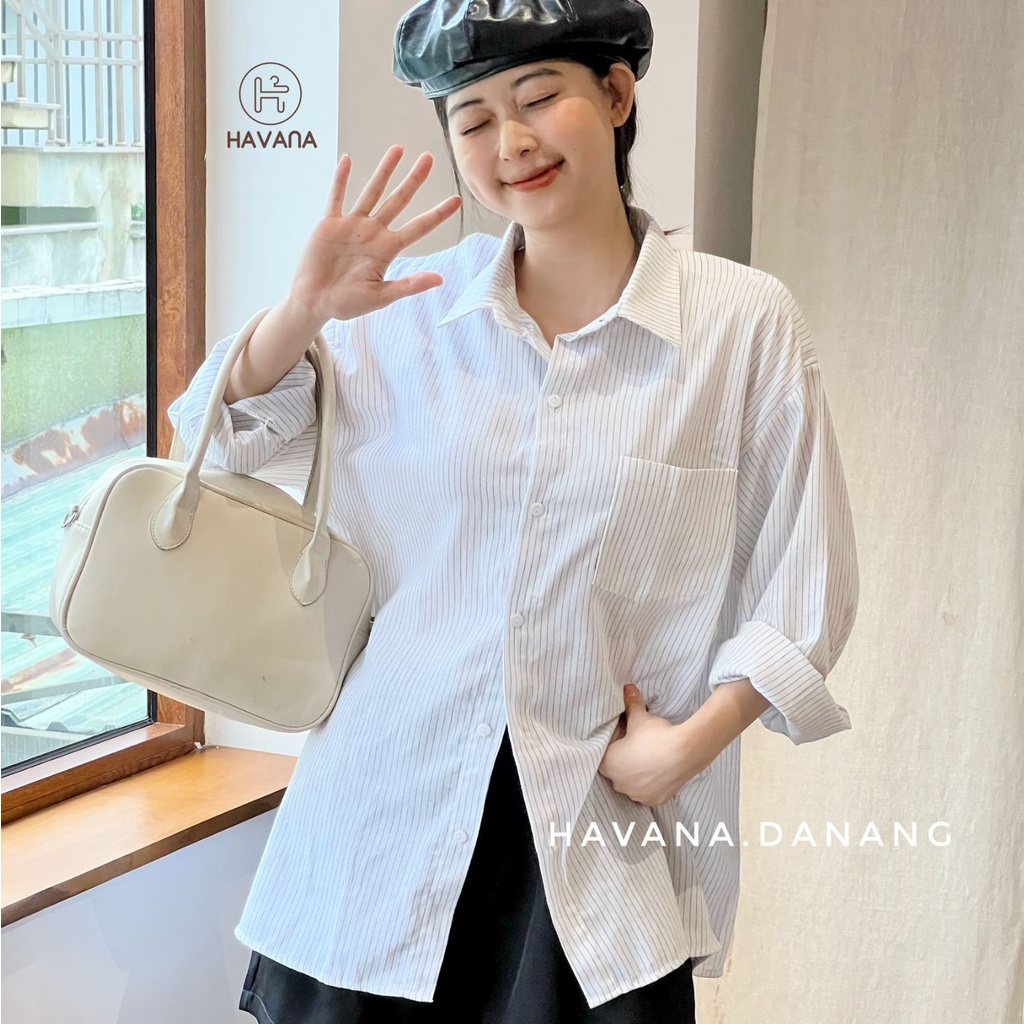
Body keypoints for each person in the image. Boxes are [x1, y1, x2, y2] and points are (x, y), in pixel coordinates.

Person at [167, 1, 860, 1021]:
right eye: (475, 119)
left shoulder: (739, 324)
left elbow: (808, 584)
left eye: (539, 98)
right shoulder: (403, 310)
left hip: (596, 835)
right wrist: (300, 312)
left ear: (616, 95)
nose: (512, 142)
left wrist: (690, 743)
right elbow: (212, 443)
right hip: (379, 829)